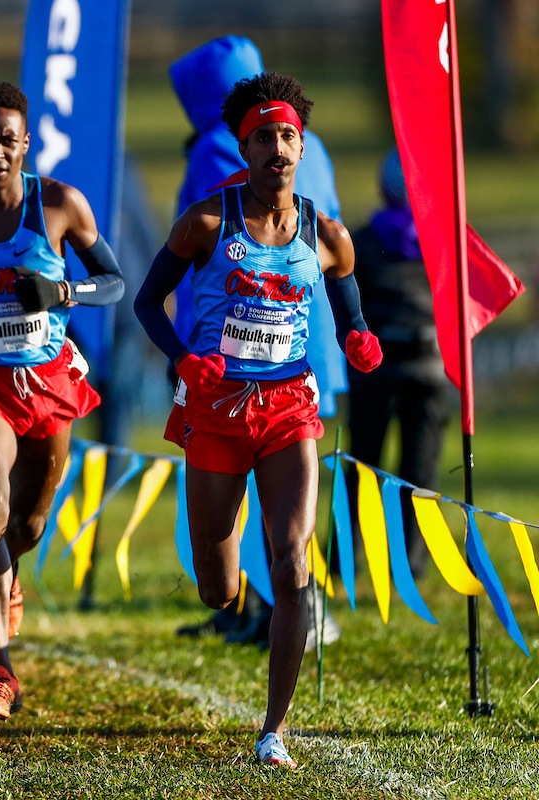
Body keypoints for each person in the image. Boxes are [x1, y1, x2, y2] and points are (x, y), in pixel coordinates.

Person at [134, 73, 383, 768]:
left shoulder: (326, 234)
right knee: (219, 586)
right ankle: (230, 554)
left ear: (301, 147)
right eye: (264, 137)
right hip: (215, 412)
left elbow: (347, 297)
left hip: (288, 412)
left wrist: (357, 335)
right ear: (242, 146)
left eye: (288, 136)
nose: (277, 147)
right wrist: (184, 361)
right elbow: (148, 304)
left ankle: (274, 729)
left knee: (293, 557)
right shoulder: (205, 222)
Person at [0, 81, 124, 724]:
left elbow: (114, 284)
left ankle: (7, 572)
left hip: (48, 380)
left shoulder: (59, 203)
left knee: (29, 524)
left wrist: (64, 293)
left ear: (25, 143)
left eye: (6, 139)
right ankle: (1, 670)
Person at [169, 36, 345, 647]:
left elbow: (213, 266)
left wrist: (190, 349)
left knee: (265, 501)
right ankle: (260, 607)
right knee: (289, 503)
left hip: (238, 360)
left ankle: (283, 611)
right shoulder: (307, 143)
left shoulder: (221, 152)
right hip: (312, 343)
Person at [347, 148, 450, 577]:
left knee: (362, 467)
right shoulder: (443, 239)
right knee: (419, 470)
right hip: (431, 367)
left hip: (376, 369)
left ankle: (344, 557)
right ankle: (411, 563)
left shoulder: (363, 241)